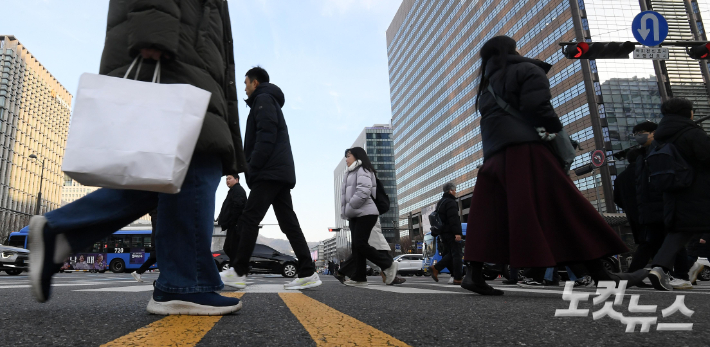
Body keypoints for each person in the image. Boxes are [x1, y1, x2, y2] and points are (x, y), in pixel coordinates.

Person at [28, 1, 245, 315]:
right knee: (196, 158)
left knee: (169, 172)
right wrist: (152, 33)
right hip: (175, 50)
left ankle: (62, 231)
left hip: (184, 51)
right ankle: (185, 284)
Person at [461, 36, 647, 296]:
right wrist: (555, 133)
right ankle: (602, 275)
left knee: (491, 215)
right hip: (528, 152)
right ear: (513, 49)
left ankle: (474, 273)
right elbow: (538, 107)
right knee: (565, 208)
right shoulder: (526, 69)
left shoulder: (486, 85)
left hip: (494, 157)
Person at [220, 67, 321, 290]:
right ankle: (307, 271)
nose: (244, 88)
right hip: (277, 171)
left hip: (269, 171)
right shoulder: (267, 100)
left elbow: (266, 135)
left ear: (255, 83)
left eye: (246, 83)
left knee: (249, 219)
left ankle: (238, 270)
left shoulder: (263, 99)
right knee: (288, 223)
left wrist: (252, 166)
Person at [648, 98, 710, 291]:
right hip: (700, 191)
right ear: (688, 113)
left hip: (673, 193)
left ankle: (659, 268)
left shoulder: (659, 139)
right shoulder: (693, 133)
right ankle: (696, 267)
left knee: (679, 232)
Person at [338, 147, 399, 286]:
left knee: (361, 243)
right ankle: (359, 277)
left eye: (348, 156)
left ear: (357, 156)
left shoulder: (363, 169)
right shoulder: (350, 172)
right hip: (355, 214)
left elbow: (364, 191)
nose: (346, 159)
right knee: (357, 246)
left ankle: (388, 264)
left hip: (366, 213)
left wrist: (351, 206)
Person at [334, 218, 405, 285]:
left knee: (363, 249)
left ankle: (355, 276)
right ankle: (387, 266)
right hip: (366, 217)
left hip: (360, 216)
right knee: (370, 247)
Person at [428, 182, 464, 285]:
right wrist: (457, 233)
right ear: (450, 191)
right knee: (457, 254)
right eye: (454, 190)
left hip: (443, 233)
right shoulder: (450, 202)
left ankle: (448, 273)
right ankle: (457, 277)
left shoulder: (441, 202)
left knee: (449, 255)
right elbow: (453, 219)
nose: (455, 192)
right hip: (451, 232)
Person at [217, 174, 247, 266]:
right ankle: (236, 268)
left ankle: (236, 269)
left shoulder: (237, 190)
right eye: (226, 179)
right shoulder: (232, 191)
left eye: (229, 178)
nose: (227, 181)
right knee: (229, 248)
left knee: (231, 248)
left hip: (236, 225)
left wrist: (232, 221)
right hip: (233, 225)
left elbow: (237, 206)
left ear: (236, 179)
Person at [132, 210, 158, 282]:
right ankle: (138, 272)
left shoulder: (155, 215)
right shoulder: (157, 215)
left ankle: (138, 272)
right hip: (157, 240)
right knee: (155, 257)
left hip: (156, 239)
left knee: (154, 258)